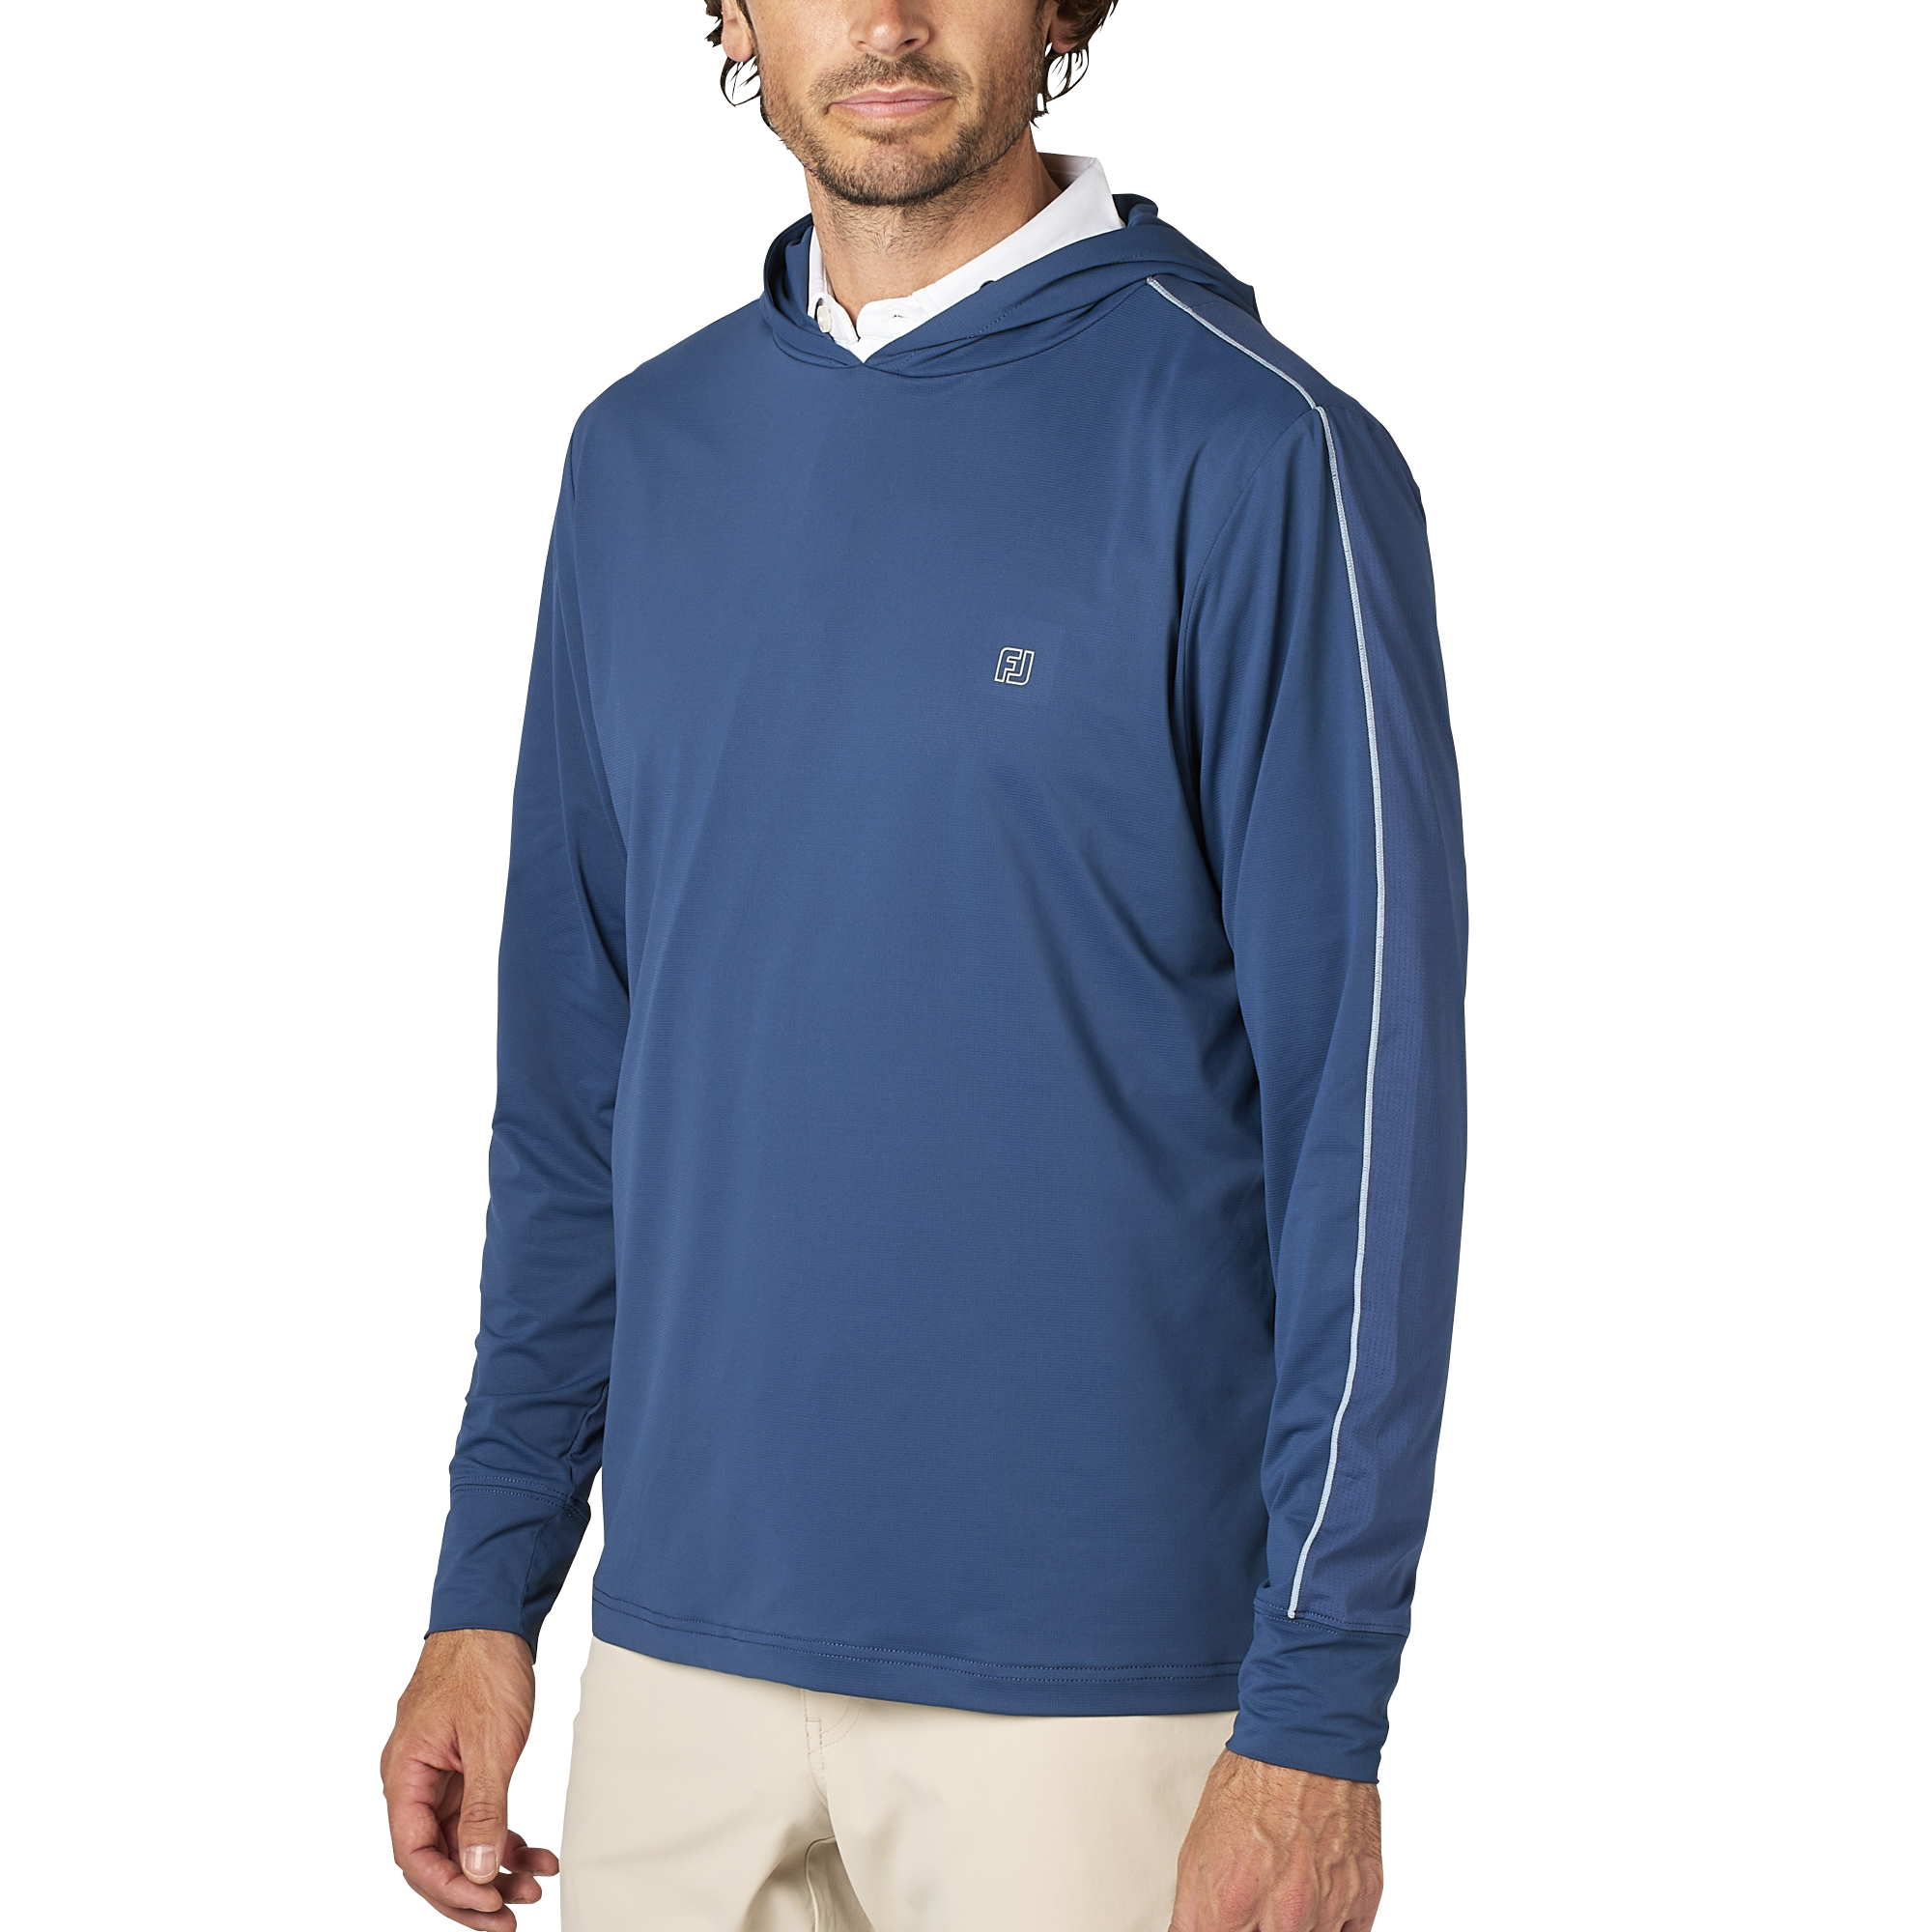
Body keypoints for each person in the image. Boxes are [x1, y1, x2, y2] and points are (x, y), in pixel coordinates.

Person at [379, 3, 1467, 1927]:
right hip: (679, 1670)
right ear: (731, 12)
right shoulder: (637, 459)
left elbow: (1369, 1123)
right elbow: (570, 1097)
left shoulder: (1254, 449)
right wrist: (487, 1591)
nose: (883, 19)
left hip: (1093, 1694)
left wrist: (1319, 1705)